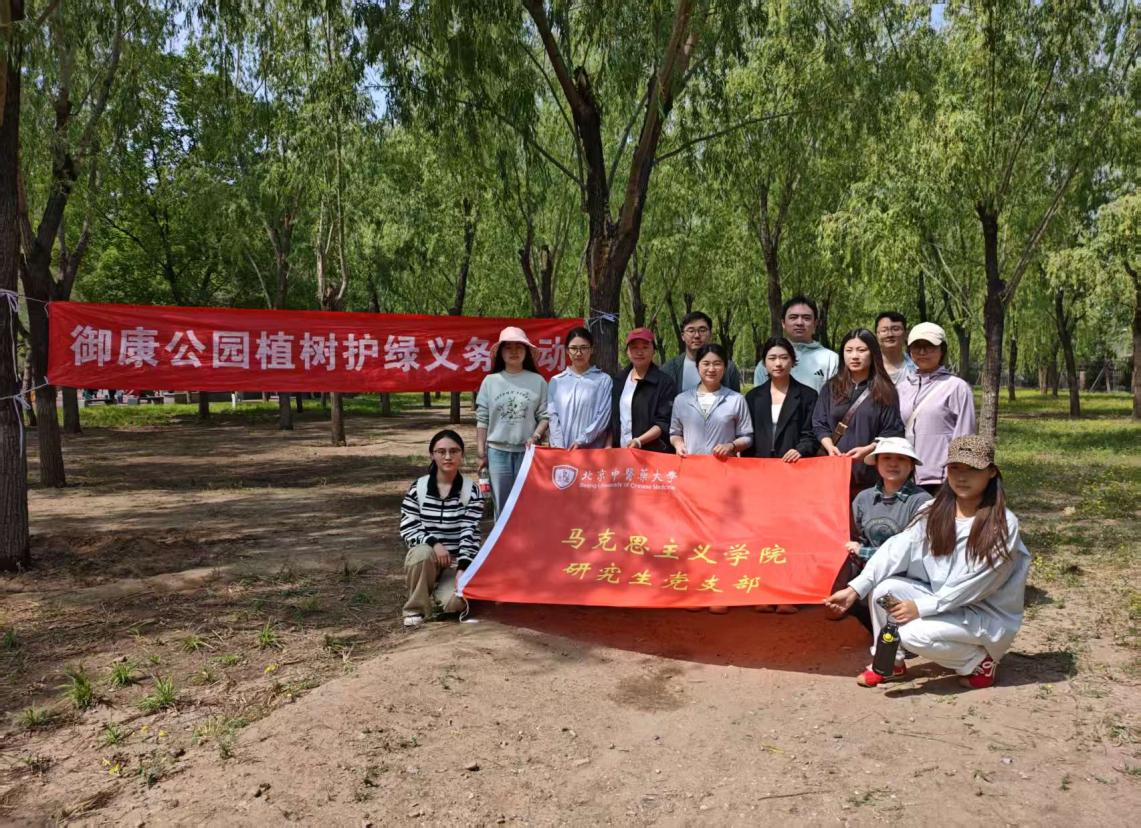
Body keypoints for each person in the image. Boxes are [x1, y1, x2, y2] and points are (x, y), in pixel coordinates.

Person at [824, 436, 1031, 690]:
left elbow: (975, 586)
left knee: (912, 635)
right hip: (941, 599)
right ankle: (889, 661)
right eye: (955, 468)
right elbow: (898, 547)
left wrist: (920, 607)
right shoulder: (934, 509)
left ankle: (979, 662)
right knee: (883, 591)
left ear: (991, 472)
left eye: (972, 469)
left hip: (981, 613)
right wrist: (856, 588)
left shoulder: (1002, 524)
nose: (962, 477)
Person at [670, 343, 752, 615]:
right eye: (706, 363)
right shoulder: (682, 400)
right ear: (697, 367)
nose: (711, 368)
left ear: (725, 367)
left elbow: (747, 436)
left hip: (724, 478)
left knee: (721, 534)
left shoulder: (735, 400)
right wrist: (678, 444)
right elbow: (674, 431)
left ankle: (719, 590)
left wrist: (732, 445)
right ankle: (695, 589)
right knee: (693, 534)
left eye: (717, 363)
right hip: (691, 479)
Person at [831, 437, 933, 629]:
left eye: (901, 459)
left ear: (911, 465)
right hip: (866, 571)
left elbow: (912, 552)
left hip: (904, 576)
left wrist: (863, 551)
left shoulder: (922, 501)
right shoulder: (863, 498)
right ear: (876, 463)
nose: (893, 464)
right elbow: (854, 537)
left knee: (885, 600)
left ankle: (897, 632)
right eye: (886, 458)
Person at [400, 430, 485, 628]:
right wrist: (434, 544)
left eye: (454, 451)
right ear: (432, 455)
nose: (448, 457)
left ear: (462, 454)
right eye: (441, 452)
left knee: (457, 604)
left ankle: (442, 596)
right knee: (421, 553)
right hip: (428, 558)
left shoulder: (472, 491)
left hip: (455, 563)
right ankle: (415, 609)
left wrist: (463, 568)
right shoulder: (418, 488)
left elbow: (470, 533)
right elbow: (408, 527)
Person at [813, 329, 905, 495]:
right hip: (833, 470)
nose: (854, 356)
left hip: (869, 474)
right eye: (849, 350)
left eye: (861, 350)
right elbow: (819, 423)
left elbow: (892, 431)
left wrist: (868, 450)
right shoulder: (831, 387)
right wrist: (829, 446)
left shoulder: (885, 390)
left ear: (873, 353)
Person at [476, 326, 549, 517]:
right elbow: (482, 419)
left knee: (528, 504)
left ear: (527, 352)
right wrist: (481, 452)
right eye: (508, 347)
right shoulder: (490, 381)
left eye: (519, 347)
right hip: (497, 453)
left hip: (527, 453)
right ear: (500, 353)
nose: (514, 351)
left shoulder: (538, 381)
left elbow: (545, 416)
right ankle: (501, 537)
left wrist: (536, 436)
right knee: (502, 507)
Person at [897, 322, 977, 494]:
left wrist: (958, 472)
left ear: (942, 350)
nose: (922, 352)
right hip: (907, 476)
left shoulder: (956, 387)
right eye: (917, 347)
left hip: (942, 478)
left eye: (930, 346)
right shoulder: (902, 388)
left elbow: (965, 435)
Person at [744, 336, 818, 462]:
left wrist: (800, 450)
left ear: (793, 361)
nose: (778, 363)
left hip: (793, 463)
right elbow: (747, 434)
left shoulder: (808, 396)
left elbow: (811, 434)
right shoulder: (753, 397)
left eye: (784, 358)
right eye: (772, 358)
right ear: (764, 363)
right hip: (759, 464)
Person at [753, 296, 839, 391]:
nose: (799, 323)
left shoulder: (831, 360)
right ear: (783, 323)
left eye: (806, 318)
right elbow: (759, 397)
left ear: (815, 324)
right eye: (793, 317)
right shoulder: (767, 363)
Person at [547, 326, 613, 449]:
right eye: (573, 348)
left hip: (592, 452)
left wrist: (582, 440)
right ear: (567, 350)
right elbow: (552, 416)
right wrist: (559, 447)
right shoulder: (556, 381)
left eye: (584, 348)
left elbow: (603, 418)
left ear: (591, 349)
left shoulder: (603, 381)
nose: (578, 353)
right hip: (562, 451)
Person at [611, 328, 676, 452]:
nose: (639, 352)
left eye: (645, 347)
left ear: (654, 351)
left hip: (651, 452)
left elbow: (663, 422)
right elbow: (613, 419)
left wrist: (639, 441)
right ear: (627, 352)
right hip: (621, 451)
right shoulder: (619, 380)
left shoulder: (665, 383)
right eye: (634, 348)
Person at [662, 311, 742, 393]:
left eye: (702, 330)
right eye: (691, 331)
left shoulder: (729, 369)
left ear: (710, 334)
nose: (697, 335)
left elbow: (735, 398)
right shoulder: (668, 369)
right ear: (682, 336)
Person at [875, 311, 916, 384]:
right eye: (884, 330)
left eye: (896, 329)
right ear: (876, 335)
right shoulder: (868, 367)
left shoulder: (917, 367)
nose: (890, 335)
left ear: (905, 334)